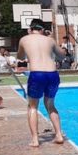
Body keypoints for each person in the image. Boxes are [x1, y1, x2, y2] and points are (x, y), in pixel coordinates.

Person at [17, 19, 66, 147]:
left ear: (30, 29)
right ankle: (59, 135)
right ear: (43, 30)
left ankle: (35, 139)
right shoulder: (50, 40)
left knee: (32, 106)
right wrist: (52, 39)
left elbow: (20, 57)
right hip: (52, 74)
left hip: (37, 74)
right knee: (50, 105)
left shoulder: (24, 39)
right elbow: (62, 56)